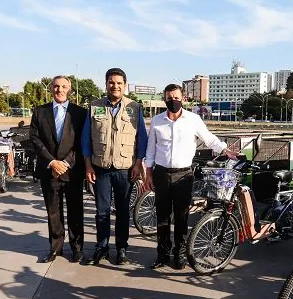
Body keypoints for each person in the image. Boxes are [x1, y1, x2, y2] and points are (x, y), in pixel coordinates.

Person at [145, 84, 238, 270]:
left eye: (176, 97)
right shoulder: (157, 121)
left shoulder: (193, 120)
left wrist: (225, 150)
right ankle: (162, 254)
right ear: (164, 99)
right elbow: (151, 149)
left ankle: (179, 255)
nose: (173, 101)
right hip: (161, 173)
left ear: (183, 99)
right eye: (169, 98)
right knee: (162, 218)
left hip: (184, 176)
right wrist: (148, 173)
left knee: (181, 217)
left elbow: (209, 138)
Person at [82, 68, 147, 265]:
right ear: (106, 84)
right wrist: (88, 166)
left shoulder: (134, 107)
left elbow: (141, 139)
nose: (115, 86)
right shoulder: (95, 107)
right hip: (100, 168)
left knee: (123, 212)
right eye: (111, 82)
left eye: (119, 83)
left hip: (125, 169)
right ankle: (101, 248)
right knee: (101, 211)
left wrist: (138, 164)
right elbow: (86, 139)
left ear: (124, 85)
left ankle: (121, 249)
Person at [29, 75, 87, 263]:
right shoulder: (40, 112)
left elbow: (81, 142)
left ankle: (77, 248)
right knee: (53, 212)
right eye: (56, 86)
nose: (59, 90)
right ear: (51, 89)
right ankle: (56, 248)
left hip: (72, 172)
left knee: (75, 211)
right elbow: (35, 139)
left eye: (63, 87)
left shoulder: (80, 113)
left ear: (69, 89)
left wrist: (66, 163)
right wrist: (52, 162)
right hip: (49, 170)